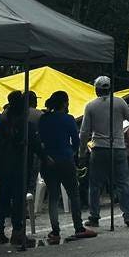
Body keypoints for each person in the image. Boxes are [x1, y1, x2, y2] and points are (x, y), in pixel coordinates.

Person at [0, 91, 44, 248]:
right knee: (18, 200)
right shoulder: (23, 122)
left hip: (4, 166)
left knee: (4, 198)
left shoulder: (4, 118)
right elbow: (35, 143)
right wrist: (46, 158)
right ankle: (18, 233)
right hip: (19, 166)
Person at [80, 76, 129, 228]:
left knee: (95, 185)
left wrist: (81, 152)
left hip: (99, 148)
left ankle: (94, 216)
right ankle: (128, 215)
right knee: (123, 183)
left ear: (96, 89)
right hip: (118, 147)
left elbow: (84, 132)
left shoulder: (91, 106)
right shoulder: (119, 102)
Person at [38, 90, 95, 242]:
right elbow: (76, 141)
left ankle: (55, 231)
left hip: (48, 161)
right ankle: (79, 228)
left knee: (53, 196)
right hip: (65, 160)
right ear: (64, 103)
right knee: (74, 195)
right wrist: (73, 152)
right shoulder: (68, 119)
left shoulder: (43, 119)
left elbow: (40, 140)